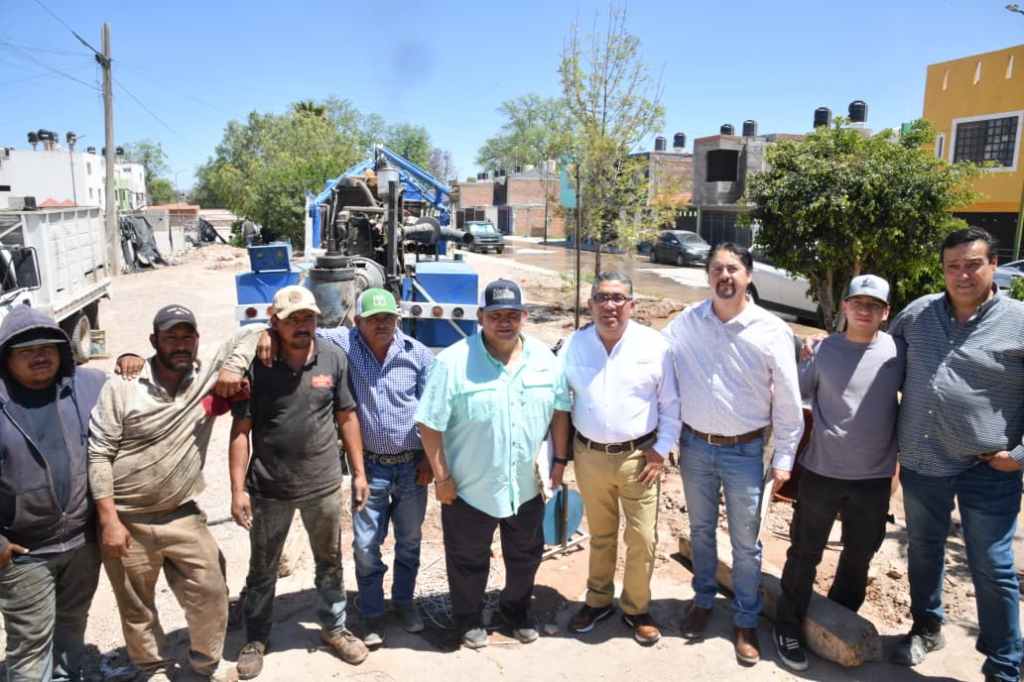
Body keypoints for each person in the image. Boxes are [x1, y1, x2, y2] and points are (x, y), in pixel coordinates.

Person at [89, 305, 260, 682]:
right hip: (127, 518)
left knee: (211, 590)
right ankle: (152, 669)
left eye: (188, 337)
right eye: (171, 337)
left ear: (197, 340)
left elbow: (253, 330)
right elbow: (99, 452)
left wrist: (231, 368)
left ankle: (206, 664)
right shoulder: (123, 387)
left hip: (181, 513)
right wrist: (108, 520)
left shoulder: (206, 379)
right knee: (137, 607)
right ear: (154, 342)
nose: (181, 345)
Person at [888, 227, 1024, 682]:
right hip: (925, 464)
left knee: (993, 565)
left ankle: (1005, 663)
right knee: (923, 551)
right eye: (953, 266)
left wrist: (1021, 454)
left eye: (973, 264)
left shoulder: (1019, 321)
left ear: (994, 265)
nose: (962, 274)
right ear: (943, 268)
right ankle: (927, 627)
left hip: (989, 469)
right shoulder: (918, 314)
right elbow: (879, 359)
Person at [662, 243, 804, 665]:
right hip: (694, 446)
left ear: (749, 275)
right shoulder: (685, 323)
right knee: (701, 531)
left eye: (734, 269)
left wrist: (784, 458)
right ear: (708, 276)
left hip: (746, 452)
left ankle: (745, 620)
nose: (725, 276)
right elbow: (654, 362)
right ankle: (703, 602)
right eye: (717, 269)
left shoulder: (772, 330)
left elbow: (789, 403)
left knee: (746, 544)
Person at [415, 279, 570, 650]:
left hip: (526, 486)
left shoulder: (545, 361)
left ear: (524, 317)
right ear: (480, 317)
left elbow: (560, 412)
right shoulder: (453, 362)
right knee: (467, 562)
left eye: (512, 315)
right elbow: (429, 424)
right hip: (470, 488)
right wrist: (442, 478)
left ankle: (514, 611)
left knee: (525, 556)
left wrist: (561, 461)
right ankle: (467, 619)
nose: (504, 322)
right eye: (496, 315)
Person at [229, 286, 369, 678]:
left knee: (329, 563)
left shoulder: (333, 357)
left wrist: (358, 473)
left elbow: (347, 417)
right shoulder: (258, 365)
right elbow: (241, 431)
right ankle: (256, 637)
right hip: (269, 488)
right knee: (263, 567)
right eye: (292, 319)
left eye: (307, 317)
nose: (302, 326)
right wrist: (237, 489)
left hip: (322, 485)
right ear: (274, 322)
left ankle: (334, 628)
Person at [772, 275, 904, 671]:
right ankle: (788, 626)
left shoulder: (899, 353)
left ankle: (838, 620)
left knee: (859, 557)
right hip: (821, 473)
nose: (865, 311)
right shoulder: (823, 351)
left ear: (886, 312)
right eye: (857, 302)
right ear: (844, 306)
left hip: (874, 479)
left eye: (874, 305)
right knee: (804, 553)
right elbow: (794, 396)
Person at [551, 272, 680, 645]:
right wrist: (559, 460)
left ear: (632, 305)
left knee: (641, 537)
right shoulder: (574, 345)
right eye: (602, 298)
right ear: (590, 305)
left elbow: (672, 405)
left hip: (640, 458)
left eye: (618, 298)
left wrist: (661, 450)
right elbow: (560, 404)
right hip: (589, 456)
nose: (610, 305)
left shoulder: (655, 346)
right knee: (601, 536)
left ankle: (637, 608)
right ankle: (598, 601)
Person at [314, 288, 434, 648]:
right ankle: (371, 613)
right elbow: (296, 328)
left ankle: (404, 604)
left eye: (389, 317)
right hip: (370, 466)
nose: (383, 324)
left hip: (413, 468)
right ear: (357, 321)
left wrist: (430, 459)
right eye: (374, 318)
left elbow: (433, 411)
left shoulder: (419, 354)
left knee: (409, 541)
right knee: (366, 545)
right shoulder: (342, 343)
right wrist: (261, 341)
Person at [0, 307, 106, 682]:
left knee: (72, 626)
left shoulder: (89, 385)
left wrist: (129, 361)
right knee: (30, 647)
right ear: (6, 358)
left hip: (81, 544)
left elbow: (146, 385)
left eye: (47, 346)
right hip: (24, 553)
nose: (40, 355)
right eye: (26, 350)